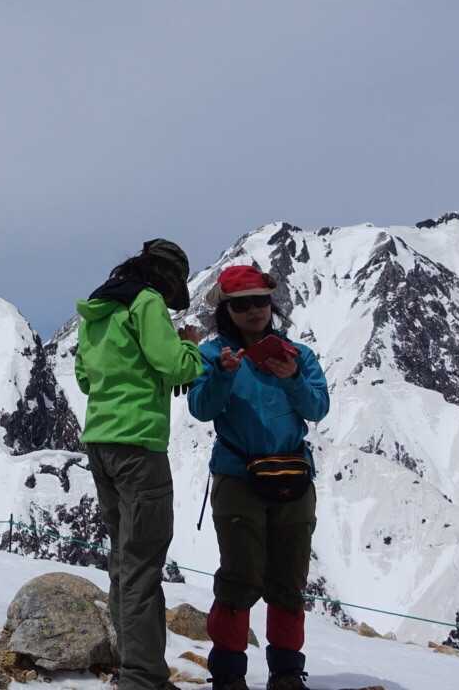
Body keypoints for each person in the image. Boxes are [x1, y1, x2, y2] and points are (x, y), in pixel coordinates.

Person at [188, 266, 330, 690]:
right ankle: (229, 674)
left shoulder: (297, 356)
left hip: (287, 476)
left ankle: (286, 673)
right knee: (240, 576)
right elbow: (201, 408)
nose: (254, 311)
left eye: (260, 302)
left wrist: (293, 380)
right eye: (242, 305)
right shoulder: (213, 356)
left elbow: (318, 408)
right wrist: (224, 375)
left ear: (272, 304)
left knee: (289, 579)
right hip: (241, 478)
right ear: (227, 311)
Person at [73, 239, 205, 690]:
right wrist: (191, 348)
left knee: (123, 560)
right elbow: (175, 366)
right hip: (140, 445)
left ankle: (133, 667)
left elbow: (84, 378)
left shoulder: (97, 309)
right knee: (143, 564)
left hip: (101, 443)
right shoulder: (147, 303)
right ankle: (142, 677)